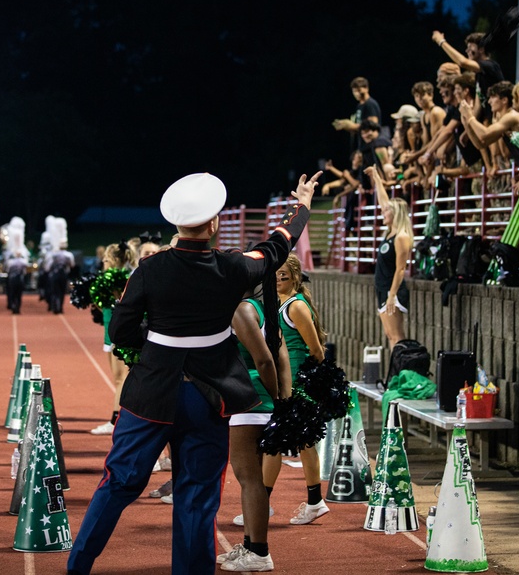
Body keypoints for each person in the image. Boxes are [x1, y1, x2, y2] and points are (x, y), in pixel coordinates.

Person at [67, 170, 320, 575]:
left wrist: (159, 341)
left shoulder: (148, 269)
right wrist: (302, 206)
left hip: (150, 394)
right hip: (211, 397)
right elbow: (275, 247)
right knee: (198, 496)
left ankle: (77, 566)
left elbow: (121, 332)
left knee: (118, 483)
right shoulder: (234, 267)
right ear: (215, 222)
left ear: (176, 223)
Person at [218, 291, 290, 572]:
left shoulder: (241, 309)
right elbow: (279, 356)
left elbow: (265, 361)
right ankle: (250, 545)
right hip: (256, 399)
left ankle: (259, 552)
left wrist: (274, 398)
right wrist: (282, 400)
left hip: (250, 399)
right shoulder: (263, 308)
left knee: (249, 478)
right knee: (250, 478)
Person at [260, 252, 329, 527]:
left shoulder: (296, 306)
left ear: (295, 277)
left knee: (276, 442)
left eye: (283, 275)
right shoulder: (279, 303)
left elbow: (316, 349)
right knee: (301, 442)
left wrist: (313, 383)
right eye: (274, 274)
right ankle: (315, 502)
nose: (278, 278)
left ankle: (262, 504)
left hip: (296, 383)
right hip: (285, 382)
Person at [88, 241, 138, 436]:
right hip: (110, 330)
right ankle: (118, 418)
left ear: (117, 261)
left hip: (118, 331)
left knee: (121, 378)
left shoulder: (123, 279)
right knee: (117, 378)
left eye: (107, 260)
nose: (104, 264)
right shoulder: (111, 280)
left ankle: (115, 419)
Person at [363, 165, 413, 351]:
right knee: (389, 335)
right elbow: (384, 201)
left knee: (397, 336)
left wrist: (392, 295)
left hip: (393, 291)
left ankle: (402, 374)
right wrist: (376, 177)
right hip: (382, 288)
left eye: (387, 212)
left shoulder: (401, 237)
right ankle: (396, 375)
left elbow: (401, 269)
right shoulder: (390, 232)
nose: (383, 213)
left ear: (396, 214)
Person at [332, 76, 383, 149]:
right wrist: (347, 126)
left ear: (366, 88)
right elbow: (359, 125)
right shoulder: (359, 106)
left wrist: (352, 125)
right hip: (362, 145)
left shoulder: (370, 104)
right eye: (354, 91)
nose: (356, 94)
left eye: (359, 90)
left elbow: (373, 124)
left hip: (371, 145)